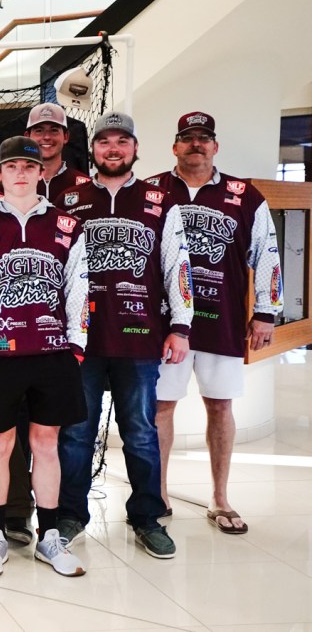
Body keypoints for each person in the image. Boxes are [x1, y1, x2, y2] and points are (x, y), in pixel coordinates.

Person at [55, 112, 193, 559]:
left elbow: (178, 264)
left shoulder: (160, 200)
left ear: (135, 148)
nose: (112, 149)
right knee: (77, 432)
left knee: (140, 432)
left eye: (121, 141)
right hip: (82, 340)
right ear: (93, 149)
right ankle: (70, 515)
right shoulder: (69, 200)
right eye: (104, 142)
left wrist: (180, 327)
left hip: (140, 336)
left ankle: (147, 517)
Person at [149, 112, 282, 534]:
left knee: (220, 405)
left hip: (221, 317)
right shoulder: (151, 191)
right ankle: (158, 493)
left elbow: (267, 253)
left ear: (215, 146)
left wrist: (266, 312)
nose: (196, 144)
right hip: (166, 323)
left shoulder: (245, 196)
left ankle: (220, 497)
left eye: (204, 138)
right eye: (188, 138)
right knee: (161, 406)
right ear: (175, 146)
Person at [0, 137, 89, 577]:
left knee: (46, 443)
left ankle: (49, 536)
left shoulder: (67, 226)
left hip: (53, 352)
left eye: (29, 166)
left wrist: (76, 347)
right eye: (12, 166)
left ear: (42, 172)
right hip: (0, 353)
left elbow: (78, 288)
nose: (20, 173)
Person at [23, 103, 91, 200]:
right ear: (27, 137)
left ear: (66, 136)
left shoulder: (86, 186)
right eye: (39, 131)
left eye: (54, 130)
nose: (47, 137)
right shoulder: (10, 184)